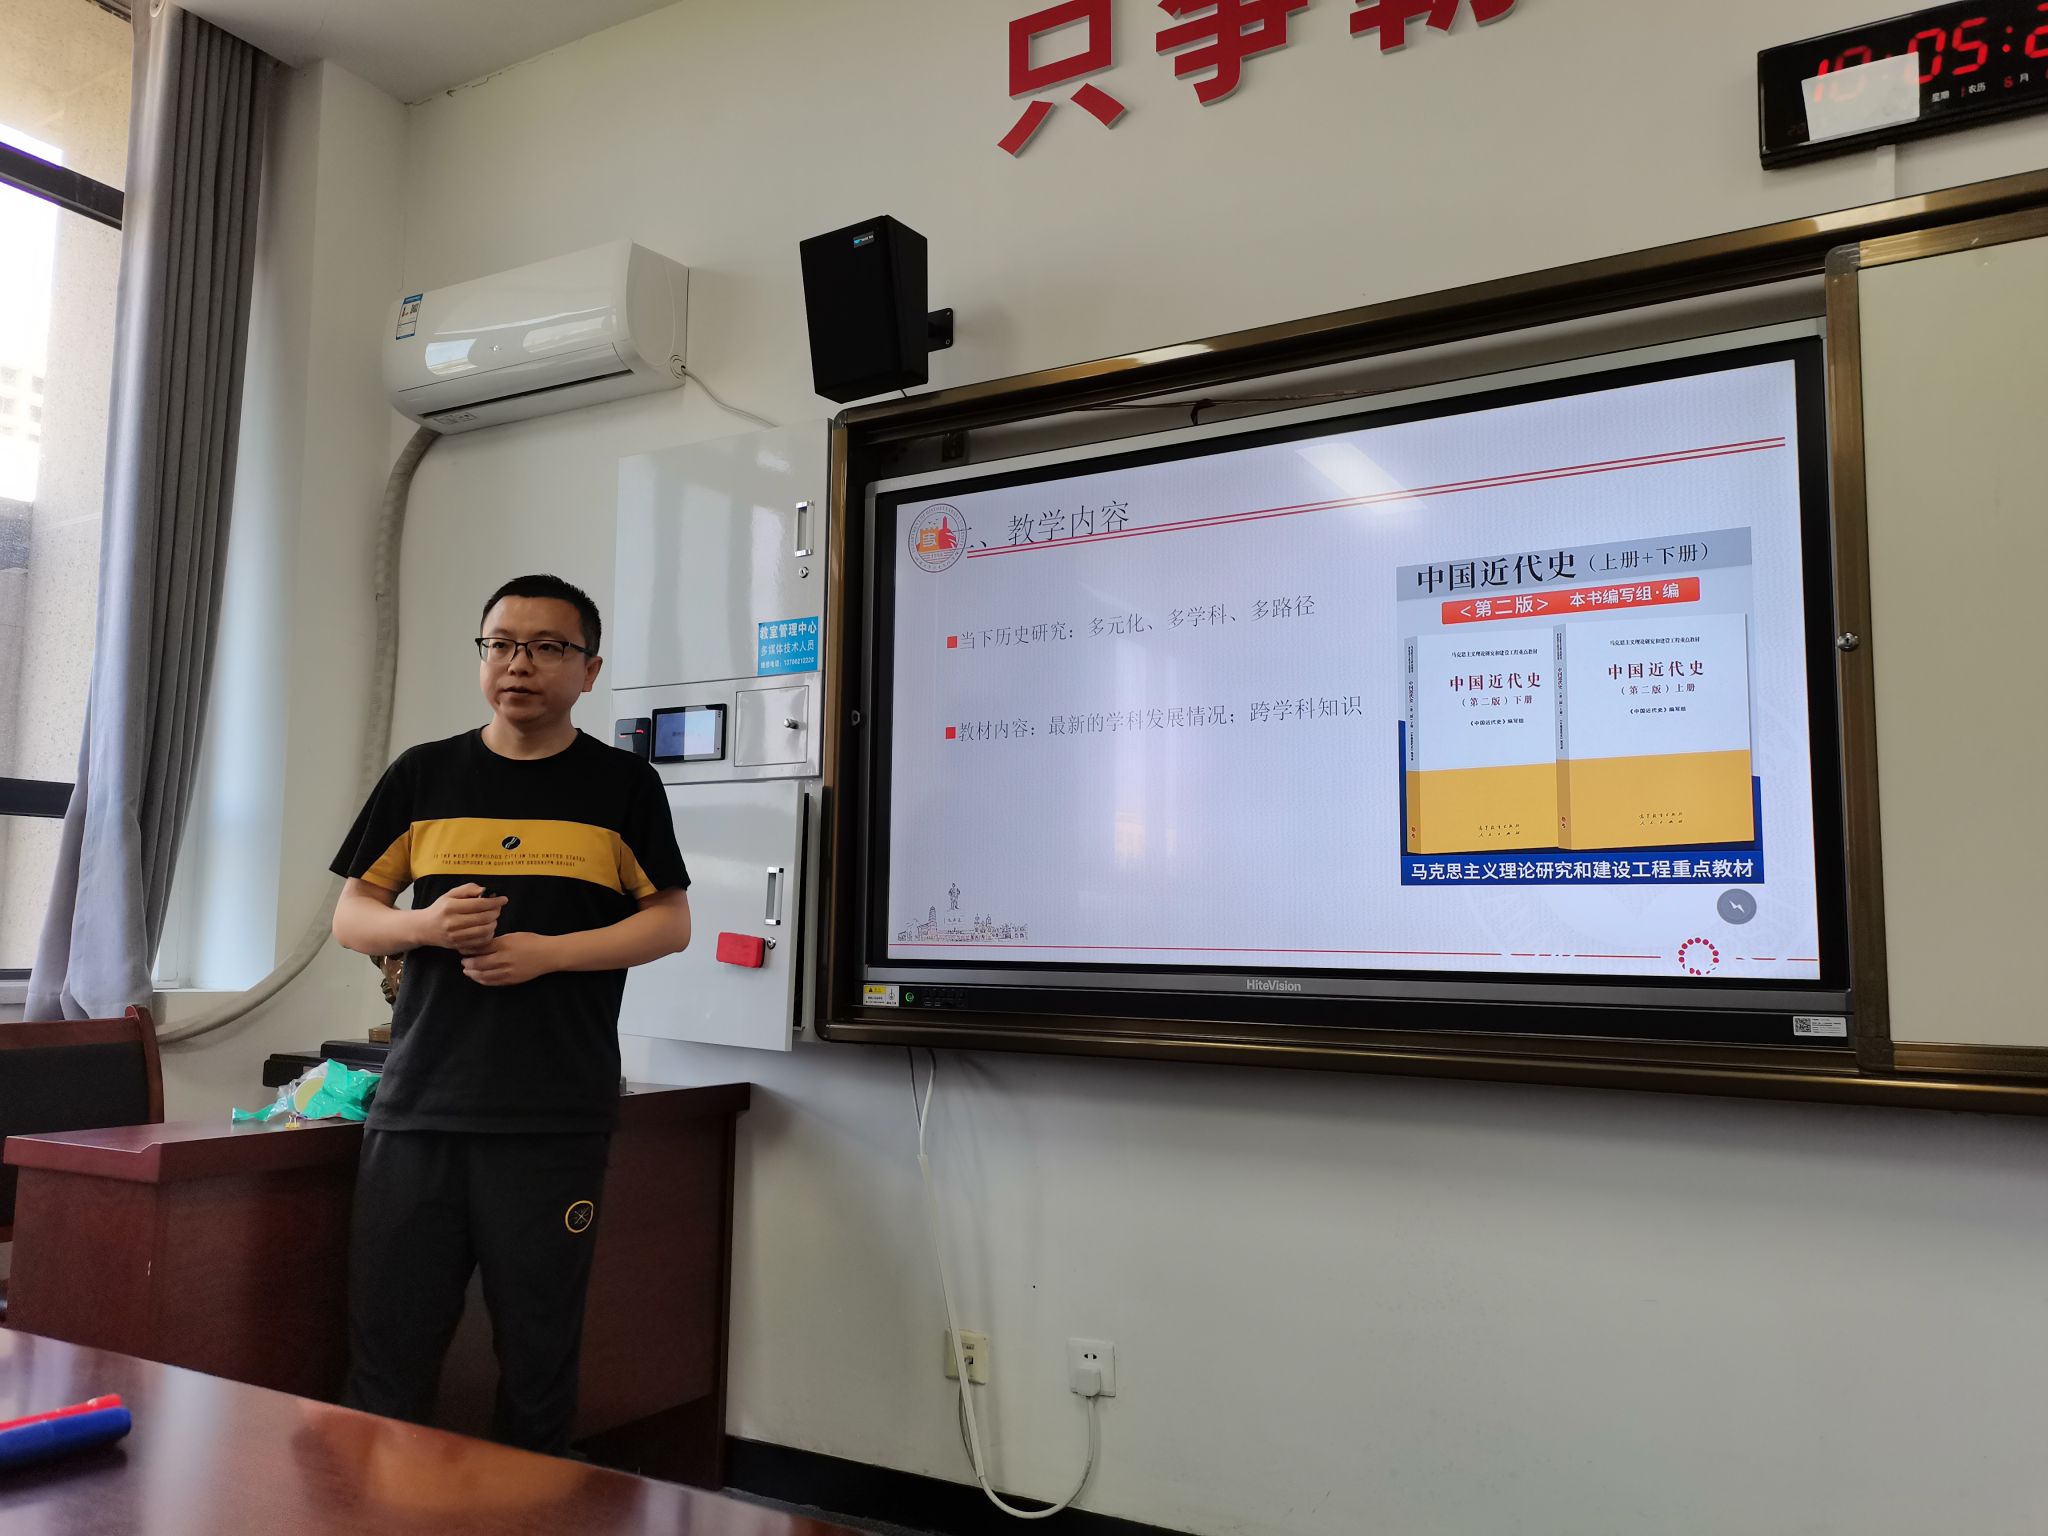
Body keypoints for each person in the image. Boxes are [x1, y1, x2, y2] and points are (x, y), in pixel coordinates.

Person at [328, 573, 691, 1455]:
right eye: (501, 645)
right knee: (388, 1350)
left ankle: (536, 1510)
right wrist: (423, 926)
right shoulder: (424, 774)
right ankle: (369, 1512)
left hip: (552, 1114)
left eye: (547, 647)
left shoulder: (621, 784)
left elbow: (669, 923)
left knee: (538, 1359)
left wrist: (548, 953)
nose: (519, 664)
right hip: (420, 1109)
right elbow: (353, 916)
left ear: (589, 670)